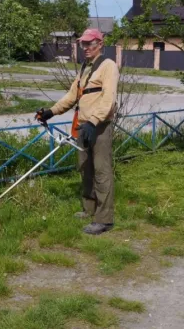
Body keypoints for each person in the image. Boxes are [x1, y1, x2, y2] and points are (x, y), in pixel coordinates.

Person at [35, 28, 120, 235]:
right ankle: (89, 209)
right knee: (85, 168)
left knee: (101, 170)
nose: (86, 48)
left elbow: (109, 99)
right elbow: (72, 96)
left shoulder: (108, 66)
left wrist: (93, 121)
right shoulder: (84, 68)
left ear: (100, 44)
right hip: (84, 127)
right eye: (83, 44)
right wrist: (51, 111)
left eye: (90, 43)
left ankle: (104, 219)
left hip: (98, 127)